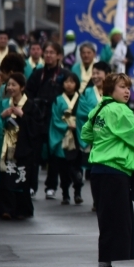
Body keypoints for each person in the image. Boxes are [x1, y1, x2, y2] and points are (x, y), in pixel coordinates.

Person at [81, 73, 134, 267]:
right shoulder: (120, 110)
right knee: (115, 222)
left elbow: (86, 134)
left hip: (99, 172)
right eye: (122, 87)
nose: (127, 91)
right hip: (114, 172)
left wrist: (108, 140)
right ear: (111, 90)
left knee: (108, 221)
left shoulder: (99, 109)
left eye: (128, 87)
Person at [26, 42, 72, 200]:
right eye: (46, 52)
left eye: (52, 52)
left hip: (56, 119)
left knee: (53, 153)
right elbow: (28, 93)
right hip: (37, 117)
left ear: (59, 55)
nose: (48, 55)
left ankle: (51, 186)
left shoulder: (65, 74)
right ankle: (31, 186)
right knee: (34, 153)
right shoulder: (38, 74)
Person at [0, 73, 40, 220]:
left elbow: (37, 128)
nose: (10, 88)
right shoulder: (4, 104)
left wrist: (23, 116)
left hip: (23, 149)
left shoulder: (31, 105)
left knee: (21, 178)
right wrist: (2, 116)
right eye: (8, 85)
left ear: (22, 87)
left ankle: (22, 209)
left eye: (14, 85)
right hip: (6, 148)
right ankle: (6, 209)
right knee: (6, 177)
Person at [76, 61, 111, 212]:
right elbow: (82, 112)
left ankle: (107, 199)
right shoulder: (88, 92)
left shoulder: (114, 90)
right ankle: (97, 201)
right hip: (95, 138)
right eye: (94, 73)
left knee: (109, 171)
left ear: (107, 74)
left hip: (110, 138)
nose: (95, 76)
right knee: (94, 172)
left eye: (99, 73)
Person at [48, 72, 84, 206]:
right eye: (66, 82)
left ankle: (77, 192)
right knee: (63, 168)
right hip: (63, 136)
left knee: (76, 166)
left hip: (77, 137)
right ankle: (65, 194)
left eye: (72, 82)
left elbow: (85, 116)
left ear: (76, 84)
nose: (69, 84)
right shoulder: (58, 100)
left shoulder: (81, 99)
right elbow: (55, 118)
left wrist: (77, 125)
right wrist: (67, 125)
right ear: (62, 84)